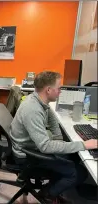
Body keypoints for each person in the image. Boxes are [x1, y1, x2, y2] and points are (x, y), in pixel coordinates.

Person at [10, 71, 98, 203]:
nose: (60, 91)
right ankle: (47, 193)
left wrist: (58, 139)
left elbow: (51, 119)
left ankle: (58, 182)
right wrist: (84, 144)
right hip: (28, 155)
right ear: (49, 90)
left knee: (74, 156)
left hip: (33, 147)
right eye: (59, 88)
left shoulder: (39, 100)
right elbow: (45, 146)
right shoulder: (32, 109)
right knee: (79, 172)